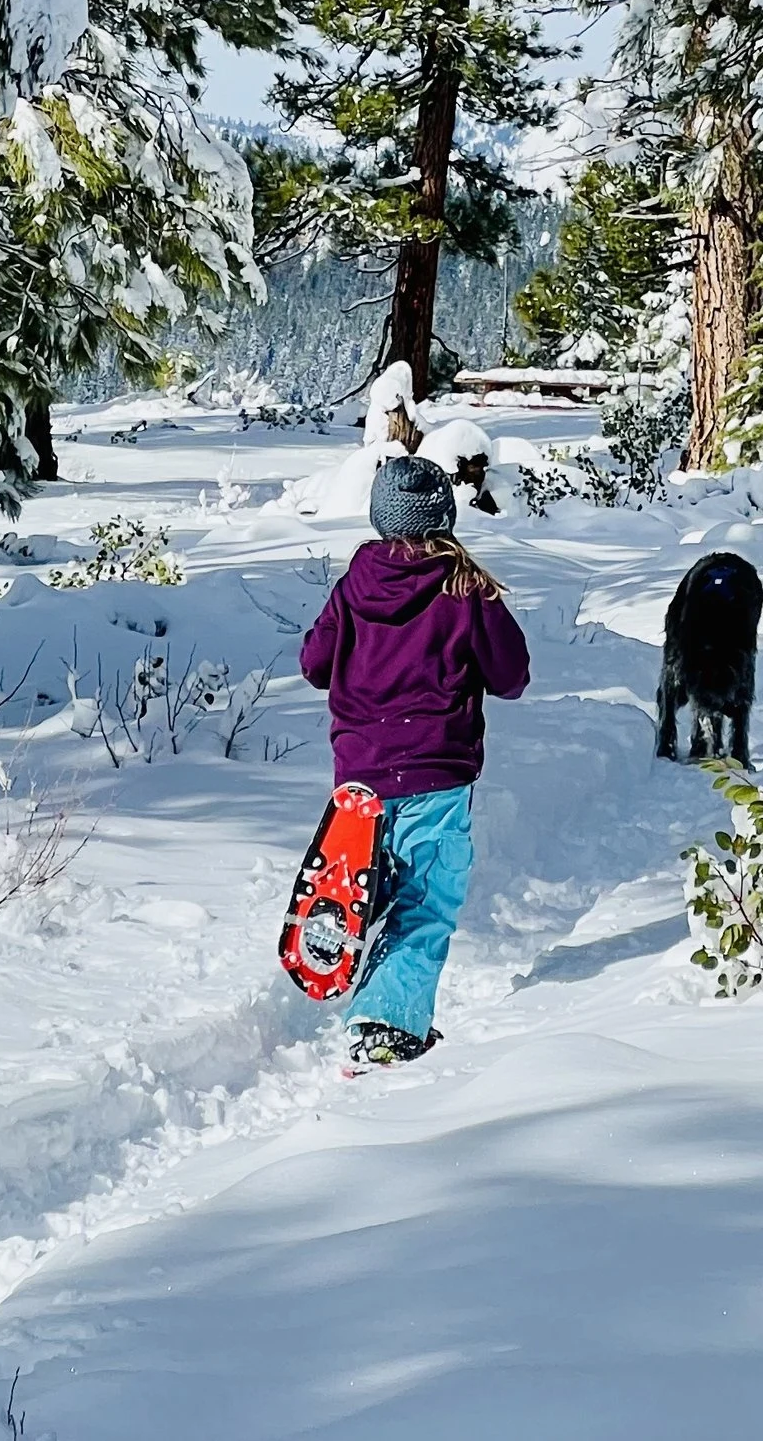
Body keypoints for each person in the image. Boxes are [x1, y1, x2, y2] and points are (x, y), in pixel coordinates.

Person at [298, 448, 531, 1069]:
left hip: (360, 779)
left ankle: (347, 913)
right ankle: (386, 1024)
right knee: (425, 900)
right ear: (443, 516)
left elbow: (314, 665)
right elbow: (512, 676)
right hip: (435, 775)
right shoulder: (465, 590)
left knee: (373, 881)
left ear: (381, 517)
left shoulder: (353, 586)